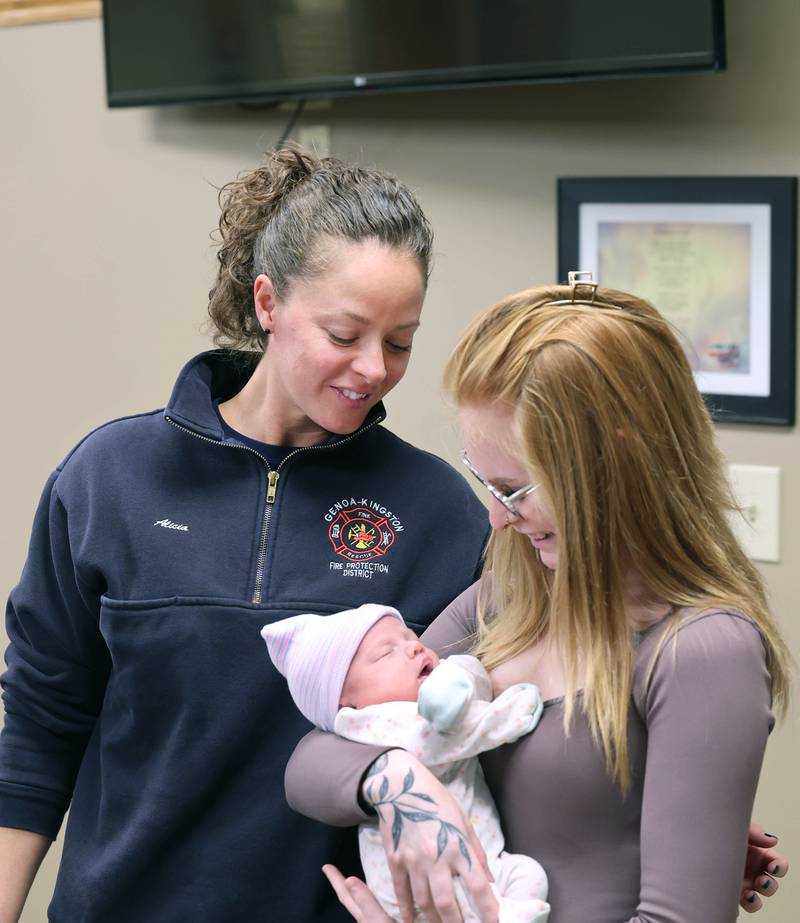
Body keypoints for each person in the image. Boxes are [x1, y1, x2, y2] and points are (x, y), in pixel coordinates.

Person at [0, 146, 491, 922]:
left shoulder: (439, 511)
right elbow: (40, 724)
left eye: (400, 341)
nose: (373, 367)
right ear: (268, 302)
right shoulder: (107, 480)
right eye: (344, 332)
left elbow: (496, 723)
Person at [286, 276, 793, 923]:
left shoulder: (701, 650)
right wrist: (400, 783)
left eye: (515, 489)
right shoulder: (511, 594)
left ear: (615, 460)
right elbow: (316, 754)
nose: (497, 520)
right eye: (484, 482)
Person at [261, 603, 550, 923]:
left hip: (476, 867)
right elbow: (457, 735)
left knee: (525, 875)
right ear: (346, 701)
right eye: (386, 653)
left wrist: (461, 674)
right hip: (434, 884)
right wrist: (512, 712)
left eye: (411, 636)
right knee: (520, 879)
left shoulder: (406, 705)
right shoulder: (376, 723)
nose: (414, 646)